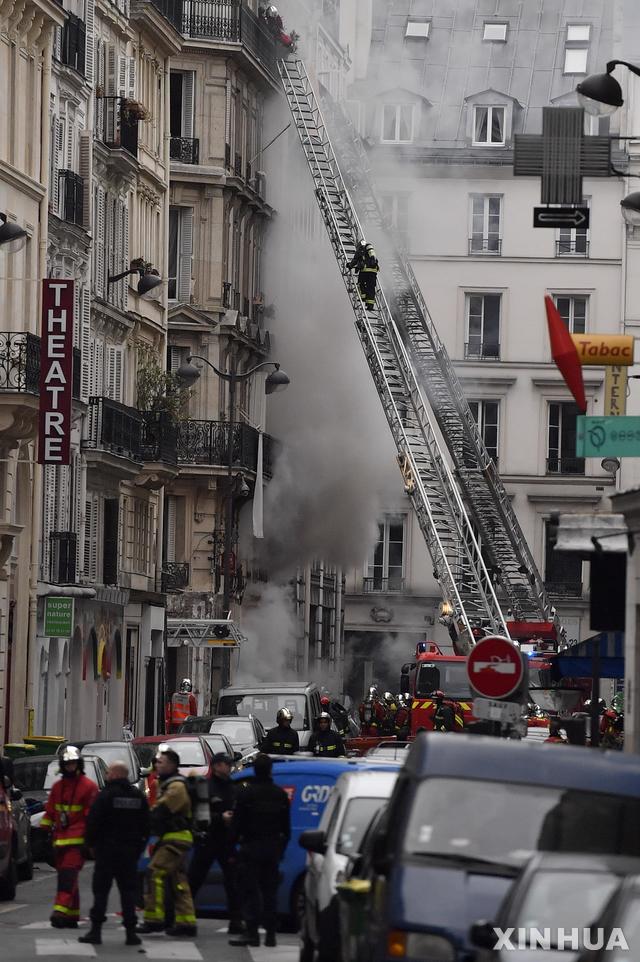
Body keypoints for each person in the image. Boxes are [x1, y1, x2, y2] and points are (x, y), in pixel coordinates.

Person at [79, 761, 149, 946]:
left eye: (109, 772)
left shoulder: (105, 796)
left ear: (116, 775)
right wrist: (138, 848)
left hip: (106, 852)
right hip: (129, 853)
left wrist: (90, 845)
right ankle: (131, 933)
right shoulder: (138, 796)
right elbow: (146, 825)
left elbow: (93, 822)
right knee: (128, 893)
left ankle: (96, 931)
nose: (107, 775)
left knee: (101, 892)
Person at [229, 754, 291, 949]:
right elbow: (286, 829)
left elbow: (236, 825)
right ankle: (271, 935)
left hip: (251, 847)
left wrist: (233, 847)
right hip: (272, 848)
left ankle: (252, 933)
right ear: (270, 770)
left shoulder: (246, 795)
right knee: (269, 892)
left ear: (254, 770)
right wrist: (280, 850)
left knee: (250, 891)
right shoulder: (279, 795)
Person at [139, 746, 197, 937]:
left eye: (160, 762)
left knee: (154, 873)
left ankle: (154, 919)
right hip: (175, 838)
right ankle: (186, 922)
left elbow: (160, 812)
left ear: (172, 765)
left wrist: (144, 821)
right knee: (177, 880)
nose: (156, 765)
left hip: (176, 838)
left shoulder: (176, 787)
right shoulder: (168, 784)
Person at [41, 746, 99, 928]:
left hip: (78, 842)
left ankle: (60, 912)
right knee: (68, 877)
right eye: (67, 764)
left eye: (73, 763)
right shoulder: (58, 787)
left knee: (67, 876)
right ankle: (72, 916)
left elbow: (92, 817)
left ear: (79, 764)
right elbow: (50, 812)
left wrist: (90, 841)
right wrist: (43, 835)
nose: (70, 767)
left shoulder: (89, 787)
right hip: (59, 841)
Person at [187, 752, 242, 934]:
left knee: (233, 883)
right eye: (226, 764)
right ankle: (182, 918)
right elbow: (198, 815)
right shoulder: (205, 787)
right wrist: (220, 818)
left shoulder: (233, 787)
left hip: (227, 841)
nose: (229, 767)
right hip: (208, 839)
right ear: (217, 766)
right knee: (194, 880)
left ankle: (236, 921)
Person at [347, 240, 379, 311]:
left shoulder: (359, 251)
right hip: (373, 272)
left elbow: (355, 260)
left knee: (360, 284)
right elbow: (372, 255)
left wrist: (350, 265)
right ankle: (370, 305)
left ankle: (364, 297)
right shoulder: (369, 247)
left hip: (364, 271)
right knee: (371, 288)